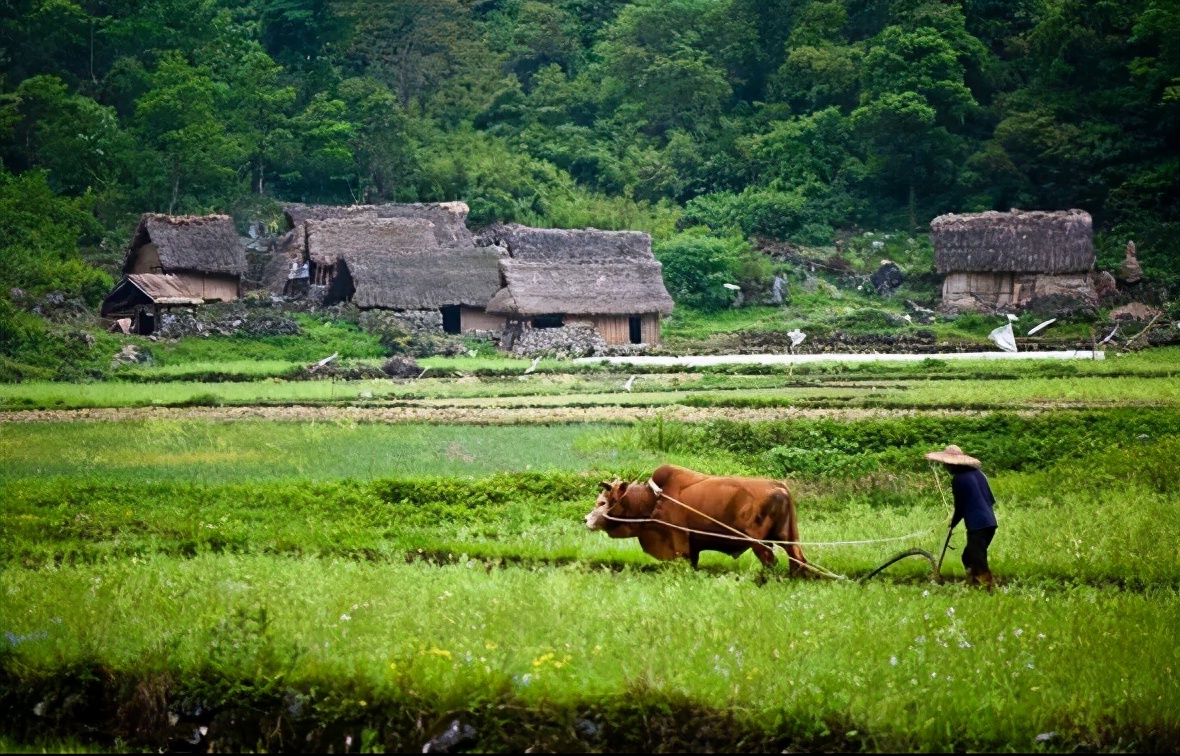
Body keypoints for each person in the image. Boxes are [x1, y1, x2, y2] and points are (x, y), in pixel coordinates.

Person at [925, 445, 997, 585]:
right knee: (968, 556)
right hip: (990, 522)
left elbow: (961, 506)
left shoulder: (959, 479)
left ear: (953, 464)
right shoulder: (979, 474)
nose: (946, 467)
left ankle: (987, 587)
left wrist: (953, 523)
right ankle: (973, 583)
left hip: (977, 525)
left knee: (977, 558)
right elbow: (990, 499)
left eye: (947, 464)